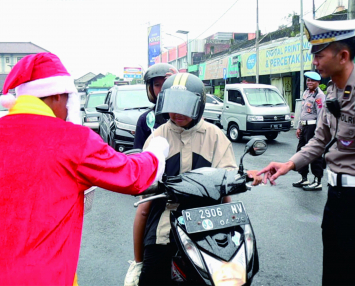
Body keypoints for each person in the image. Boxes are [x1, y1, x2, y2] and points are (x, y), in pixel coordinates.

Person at [0, 52, 170, 286]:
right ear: (56, 94)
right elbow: (134, 176)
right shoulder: (71, 140)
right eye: (67, 99)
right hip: (45, 277)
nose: (67, 109)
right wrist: (158, 147)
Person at [257, 17, 355, 285]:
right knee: (333, 275)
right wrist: (288, 164)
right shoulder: (332, 91)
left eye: (319, 55)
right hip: (335, 199)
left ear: (343, 55)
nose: (314, 62)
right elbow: (319, 141)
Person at [138, 73, 262, 285]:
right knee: (150, 269)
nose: (177, 113)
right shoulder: (157, 136)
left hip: (207, 219)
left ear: (199, 105)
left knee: (232, 272)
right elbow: (144, 174)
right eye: (172, 105)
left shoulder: (215, 136)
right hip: (166, 218)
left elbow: (227, 176)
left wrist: (241, 180)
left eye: (185, 106)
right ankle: (136, 264)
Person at [125, 63, 178, 286]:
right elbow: (138, 157)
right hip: (157, 184)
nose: (162, 88)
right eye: (158, 85)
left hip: (189, 181)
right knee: (143, 209)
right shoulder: (147, 120)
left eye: (167, 84)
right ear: (150, 89)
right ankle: (138, 263)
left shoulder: (189, 112)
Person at [292, 71, 325, 191]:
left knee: (314, 153)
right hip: (304, 127)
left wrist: (319, 132)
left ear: (318, 82)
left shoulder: (319, 95)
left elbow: (321, 115)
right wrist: (299, 127)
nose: (309, 82)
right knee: (301, 152)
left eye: (312, 81)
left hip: (313, 127)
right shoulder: (306, 93)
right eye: (308, 80)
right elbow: (303, 112)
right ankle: (304, 177)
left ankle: (317, 181)